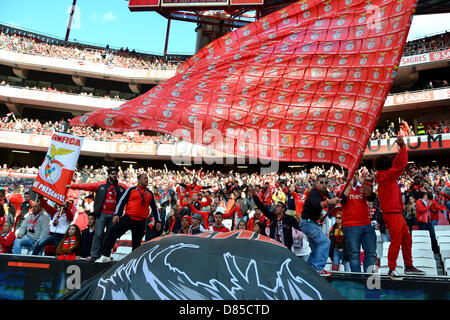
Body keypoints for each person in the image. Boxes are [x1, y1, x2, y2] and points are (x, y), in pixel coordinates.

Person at [375, 135, 425, 280]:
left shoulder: (386, 176)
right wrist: (402, 147)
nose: (393, 165)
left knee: (406, 240)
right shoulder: (386, 177)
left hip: (396, 213)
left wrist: (400, 150)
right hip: (392, 214)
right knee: (396, 241)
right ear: (387, 166)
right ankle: (391, 269)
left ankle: (409, 266)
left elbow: (397, 163)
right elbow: (401, 164)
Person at [95, 173, 162, 263]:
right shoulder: (131, 190)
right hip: (128, 218)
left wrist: (158, 220)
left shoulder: (150, 193)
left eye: (147, 178)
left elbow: (155, 208)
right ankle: (105, 255)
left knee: (136, 244)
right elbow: (122, 201)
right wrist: (117, 214)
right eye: (144, 178)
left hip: (141, 222)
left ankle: (133, 262)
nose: (147, 180)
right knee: (112, 232)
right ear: (138, 180)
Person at [67, 166, 127, 261]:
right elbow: (85, 186)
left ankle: (105, 255)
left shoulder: (121, 187)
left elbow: (132, 192)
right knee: (98, 234)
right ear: (108, 175)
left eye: (116, 173)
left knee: (109, 236)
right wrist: (72, 186)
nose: (115, 175)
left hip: (114, 215)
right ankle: (94, 255)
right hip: (102, 214)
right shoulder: (100, 185)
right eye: (113, 173)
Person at [298, 174, 341, 276]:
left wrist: (336, 198)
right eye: (321, 182)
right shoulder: (313, 192)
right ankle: (318, 268)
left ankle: (309, 270)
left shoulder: (324, 192)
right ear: (316, 183)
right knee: (325, 242)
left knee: (316, 249)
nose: (324, 184)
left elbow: (333, 196)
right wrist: (331, 201)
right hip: (308, 223)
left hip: (310, 223)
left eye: (326, 182)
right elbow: (320, 204)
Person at [340, 171, 377, 273]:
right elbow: (341, 200)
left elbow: (372, 197)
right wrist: (350, 185)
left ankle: (369, 276)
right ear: (346, 176)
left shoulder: (363, 186)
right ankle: (357, 279)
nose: (354, 176)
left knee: (370, 252)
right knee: (354, 254)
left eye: (356, 174)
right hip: (351, 226)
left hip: (366, 224)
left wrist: (364, 184)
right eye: (351, 174)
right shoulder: (342, 187)